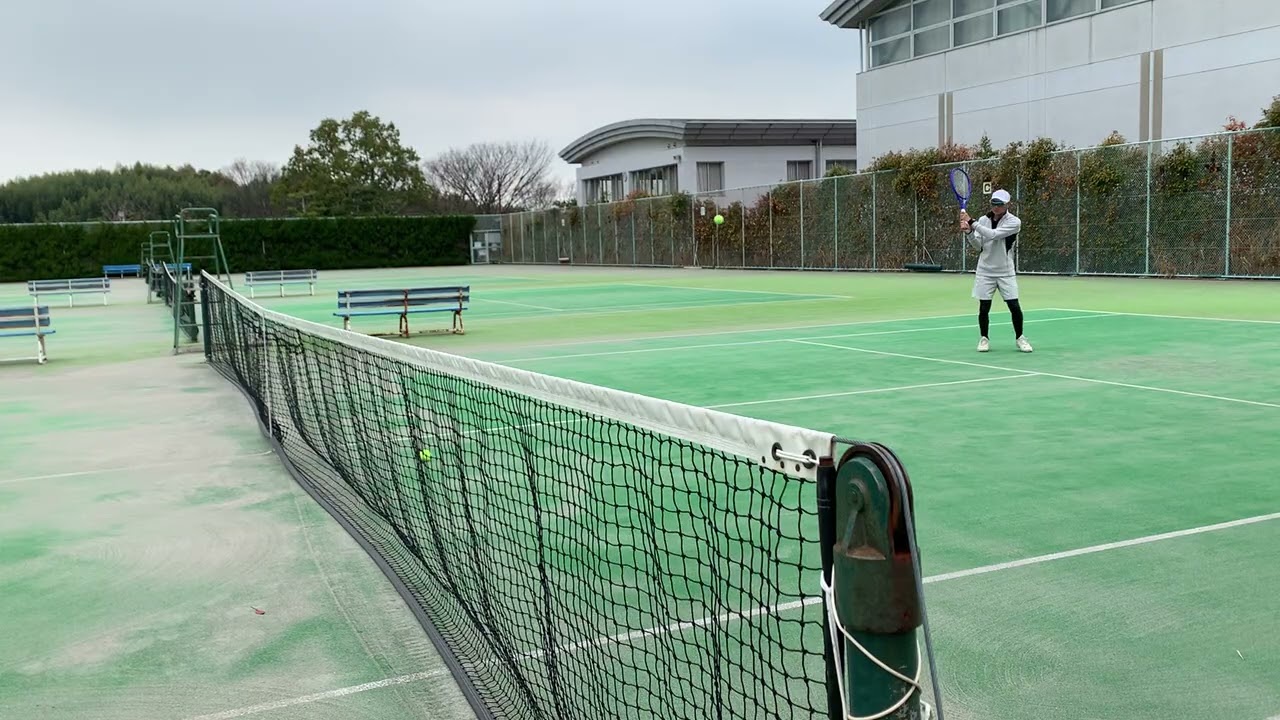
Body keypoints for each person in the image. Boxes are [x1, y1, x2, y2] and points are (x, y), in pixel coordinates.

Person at [961, 188, 1032, 353]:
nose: (996, 207)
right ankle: (984, 338)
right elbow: (979, 246)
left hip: (1006, 271)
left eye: (1000, 204)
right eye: (994, 203)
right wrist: (969, 233)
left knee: (1014, 305)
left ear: (1007, 204)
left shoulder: (1014, 222)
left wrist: (971, 222)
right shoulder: (982, 221)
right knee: (984, 307)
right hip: (985, 271)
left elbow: (993, 235)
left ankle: (1020, 338)